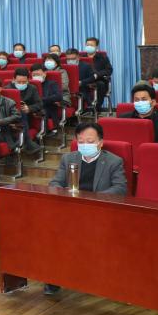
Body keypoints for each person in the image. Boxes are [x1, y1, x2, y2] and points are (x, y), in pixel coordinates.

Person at [45, 121, 127, 295]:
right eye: (81, 142)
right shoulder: (69, 159)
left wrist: (92, 200)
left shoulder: (114, 161)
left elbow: (120, 189)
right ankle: (54, 277)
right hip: (71, 209)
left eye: (90, 142)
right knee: (51, 230)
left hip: (98, 211)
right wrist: (63, 193)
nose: (85, 145)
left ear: (100, 143)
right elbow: (55, 183)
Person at [9, 68, 43, 154]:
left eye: (24, 82)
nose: (21, 84)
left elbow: (39, 104)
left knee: (22, 111)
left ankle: (25, 141)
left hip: (28, 117)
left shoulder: (32, 88)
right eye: (19, 82)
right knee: (19, 110)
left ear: (28, 80)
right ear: (13, 79)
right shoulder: (8, 89)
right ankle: (27, 141)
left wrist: (29, 108)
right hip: (10, 118)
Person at [80, 37, 113, 112]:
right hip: (86, 80)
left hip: (98, 80)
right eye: (87, 45)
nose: (89, 47)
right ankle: (86, 107)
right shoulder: (81, 58)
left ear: (96, 47)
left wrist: (97, 74)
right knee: (80, 85)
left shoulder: (103, 57)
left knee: (101, 84)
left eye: (91, 45)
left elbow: (109, 70)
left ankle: (97, 108)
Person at [31, 63, 65, 133]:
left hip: (48, 108)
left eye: (38, 74)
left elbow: (58, 96)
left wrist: (42, 99)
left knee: (43, 110)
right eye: (34, 75)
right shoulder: (30, 85)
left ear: (44, 74)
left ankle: (44, 132)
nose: (36, 77)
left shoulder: (51, 84)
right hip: (33, 107)